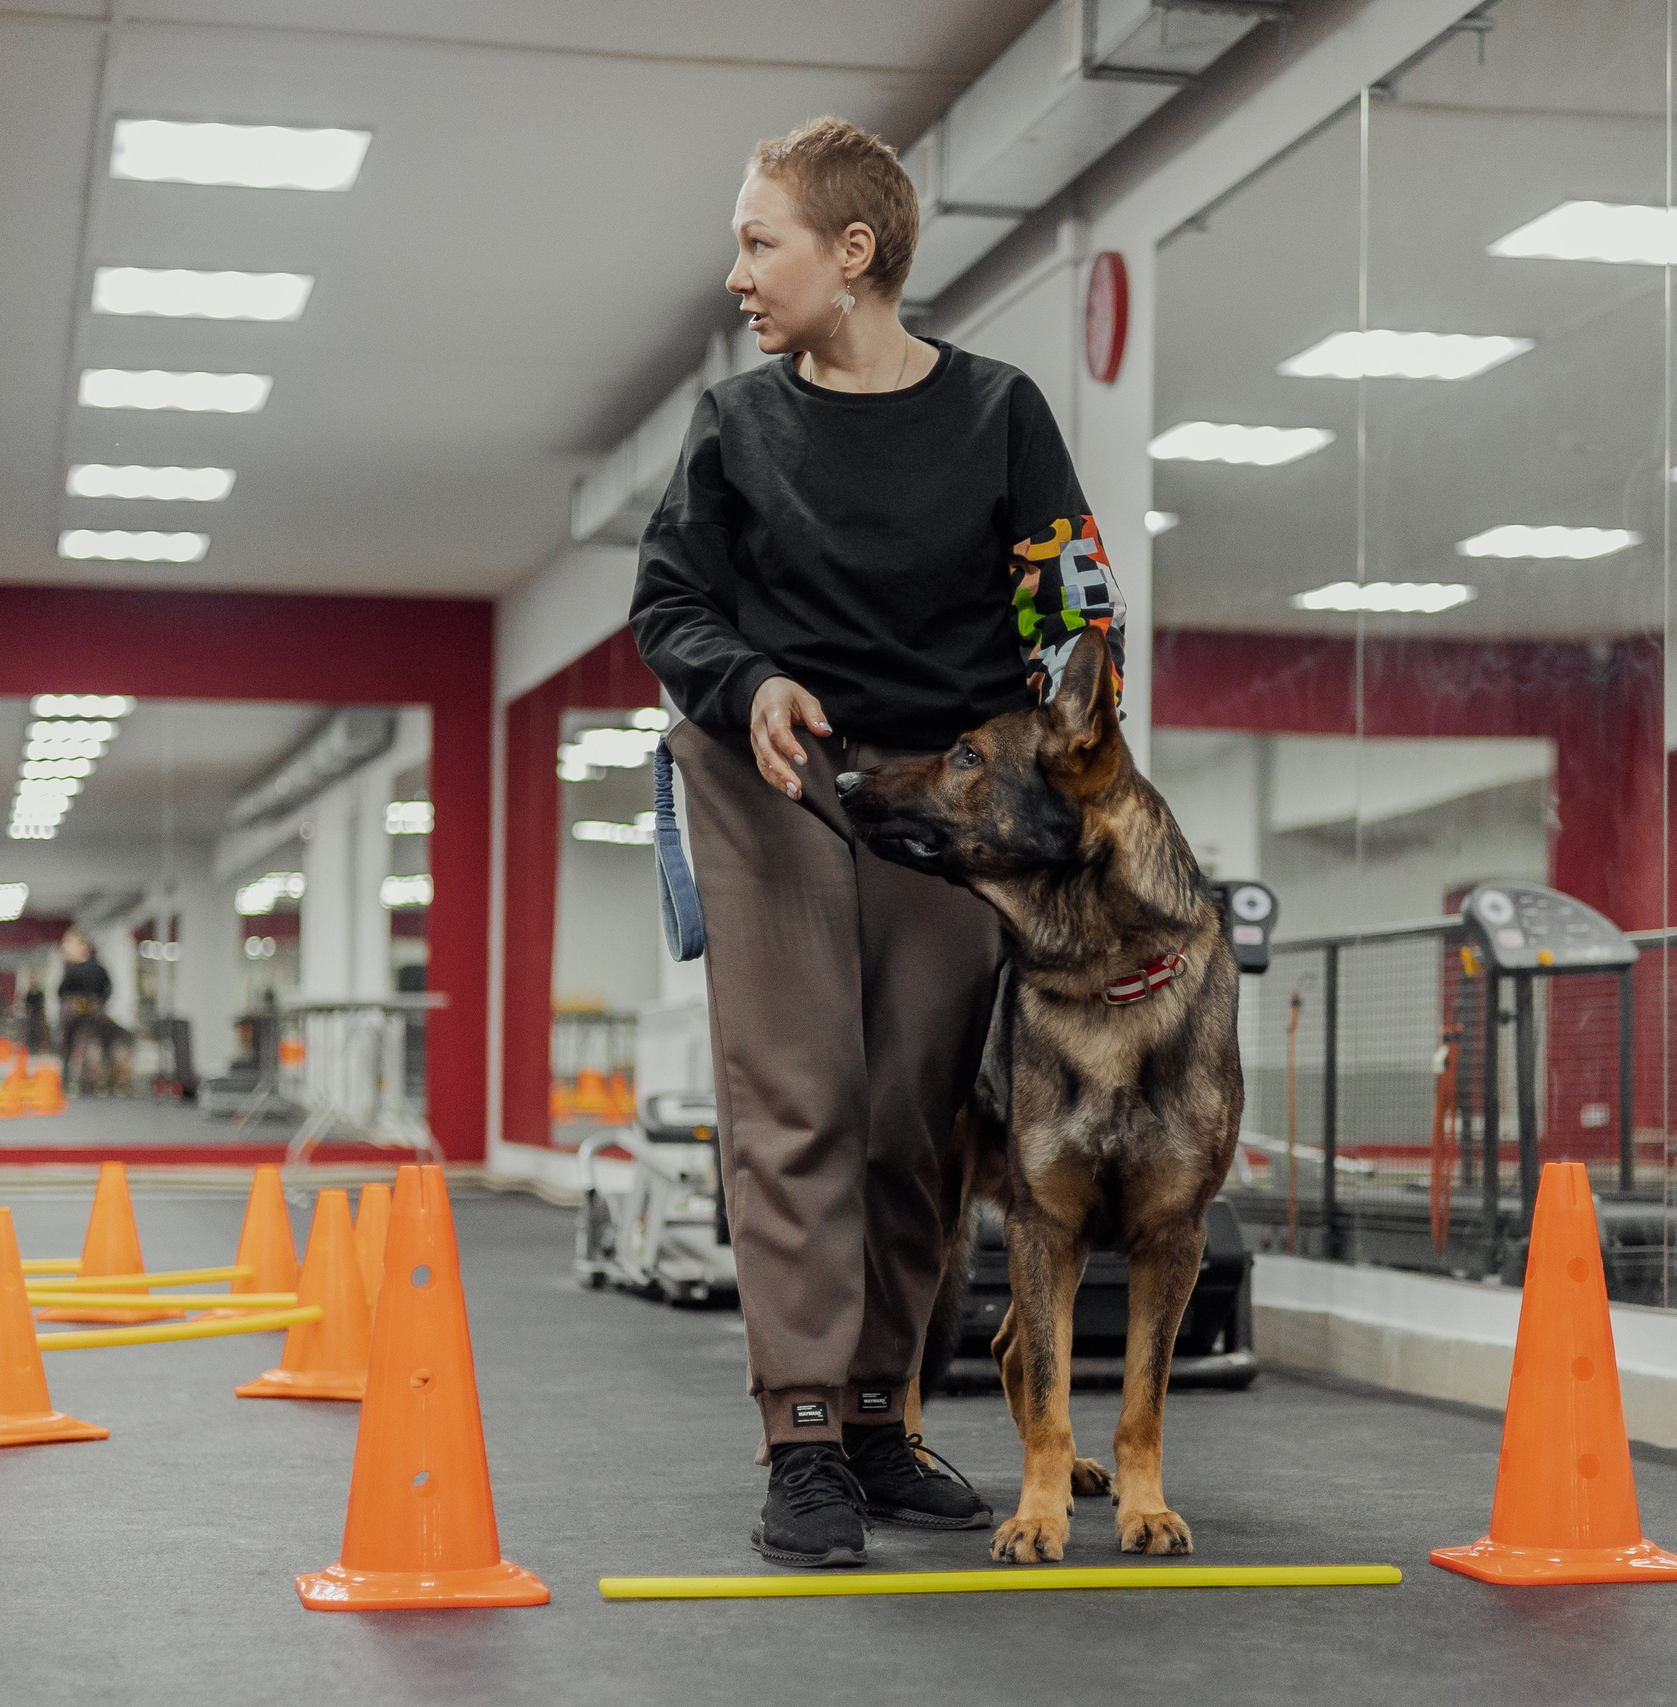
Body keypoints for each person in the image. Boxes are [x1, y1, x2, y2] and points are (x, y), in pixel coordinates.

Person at [629, 117, 1125, 1566]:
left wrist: (1071, 747)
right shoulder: (735, 426)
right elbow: (669, 608)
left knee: (917, 1116)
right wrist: (753, 681)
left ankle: (870, 1416)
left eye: (759, 241)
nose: (736, 274)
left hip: (943, 804)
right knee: (800, 1093)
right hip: (768, 772)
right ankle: (797, 1438)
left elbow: (1070, 614)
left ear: (854, 254)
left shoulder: (998, 415)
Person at [56, 927, 115, 1090]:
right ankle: (87, 1081)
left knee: (83, 1046)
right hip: (89, 1014)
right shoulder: (98, 969)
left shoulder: (74, 970)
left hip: (82, 1015)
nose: (66, 948)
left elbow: (61, 992)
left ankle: (78, 1080)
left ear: (83, 946)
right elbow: (108, 990)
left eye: (69, 944)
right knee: (83, 1046)